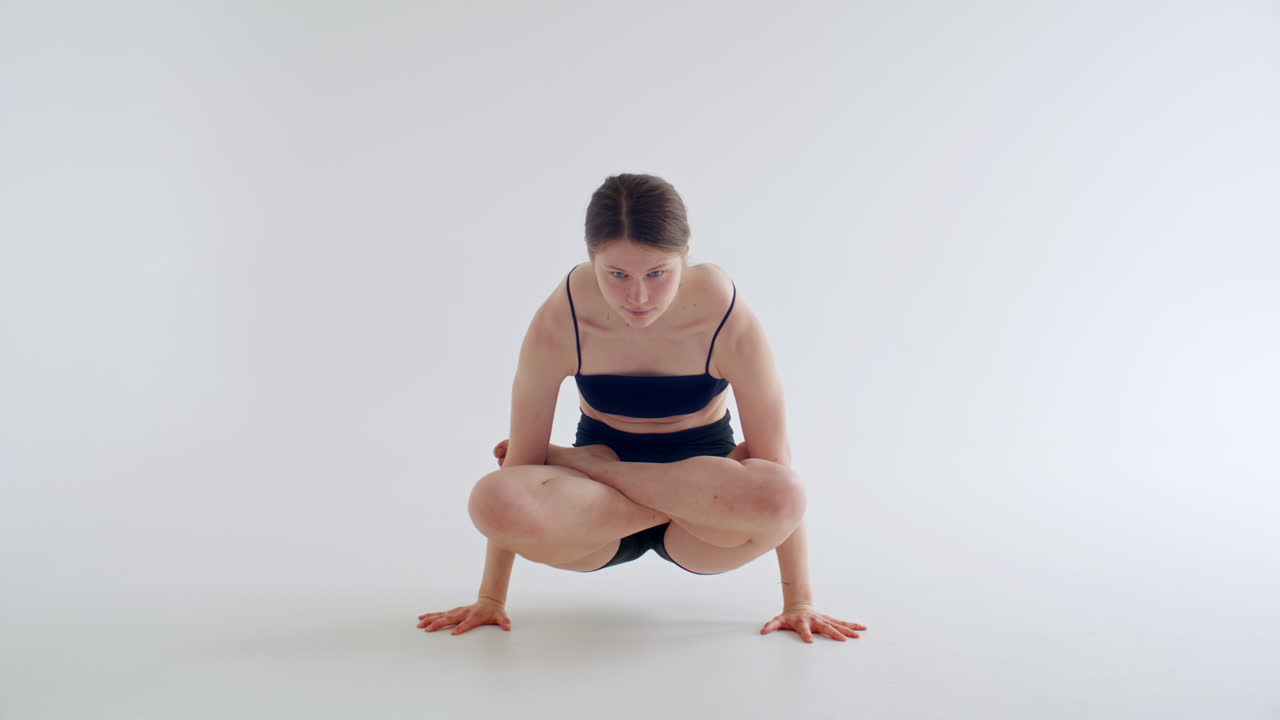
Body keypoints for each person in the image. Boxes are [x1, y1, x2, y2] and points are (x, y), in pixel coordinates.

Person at [415, 174, 867, 644]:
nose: (638, 297)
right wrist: (492, 598)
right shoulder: (563, 319)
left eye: (657, 273)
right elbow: (521, 466)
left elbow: (775, 464)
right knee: (493, 500)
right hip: (596, 516)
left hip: (703, 507)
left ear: (686, 251)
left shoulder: (723, 313)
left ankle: (578, 460)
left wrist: (799, 602)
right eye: (617, 275)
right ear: (592, 259)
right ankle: (595, 471)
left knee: (786, 494)